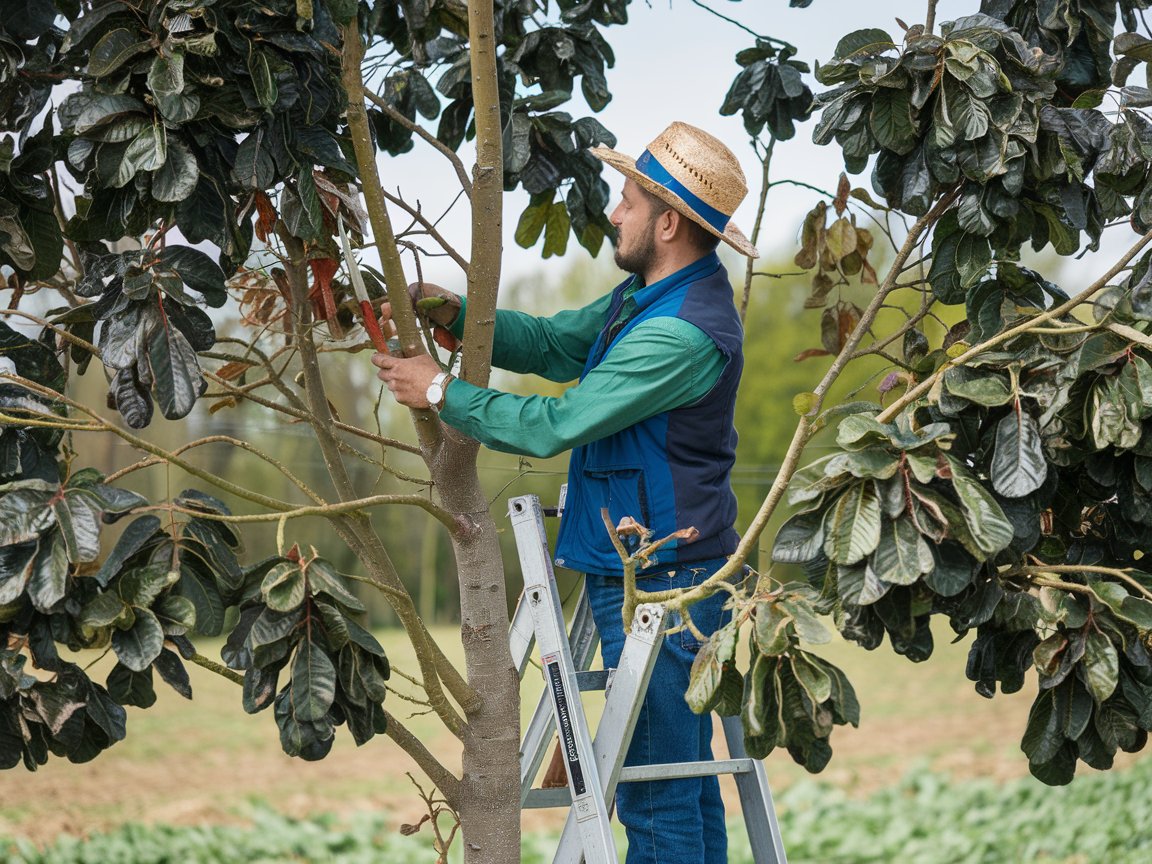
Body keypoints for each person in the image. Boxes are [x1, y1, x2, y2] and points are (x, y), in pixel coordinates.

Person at [372, 121, 757, 864]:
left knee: (656, 796)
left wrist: (442, 391)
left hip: (659, 584)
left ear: (667, 223)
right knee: (682, 788)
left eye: (627, 202)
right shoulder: (648, 298)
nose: (614, 214)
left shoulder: (681, 332)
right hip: (648, 571)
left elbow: (558, 425)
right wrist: (453, 317)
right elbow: (553, 344)